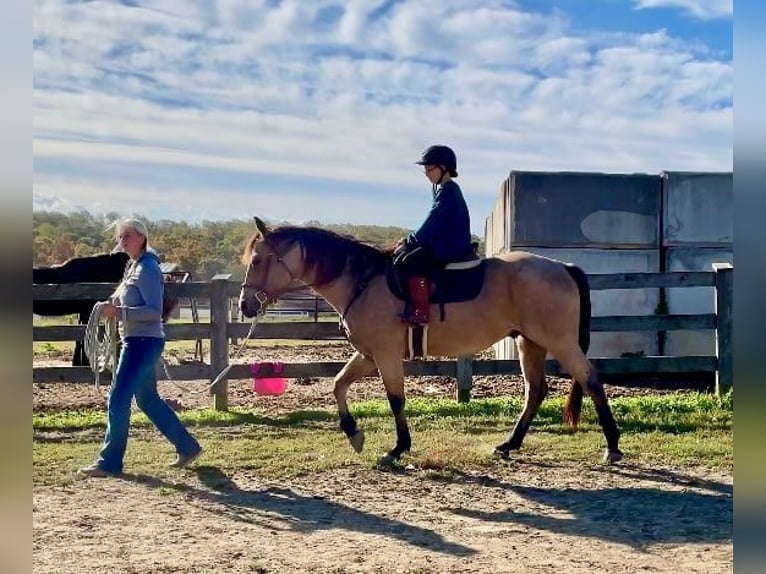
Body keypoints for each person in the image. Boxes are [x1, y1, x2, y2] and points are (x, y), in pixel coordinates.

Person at [77, 218, 202, 478]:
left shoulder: (147, 268)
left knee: (118, 397)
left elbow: (153, 311)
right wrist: (112, 303)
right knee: (146, 399)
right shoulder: (133, 267)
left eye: (128, 236)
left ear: (142, 237)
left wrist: (118, 312)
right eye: (120, 237)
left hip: (142, 342)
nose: (123, 241)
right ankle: (187, 446)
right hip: (138, 341)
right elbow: (126, 298)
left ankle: (109, 462)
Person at [393, 145, 474, 325]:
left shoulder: (448, 191)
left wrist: (409, 242)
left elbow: (433, 221)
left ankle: (421, 312)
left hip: (451, 246)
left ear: (443, 168)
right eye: (425, 170)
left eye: (430, 169)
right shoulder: (445, 189)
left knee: (410, 260)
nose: (427, 173)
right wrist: (410, 240)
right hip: (448, 242)